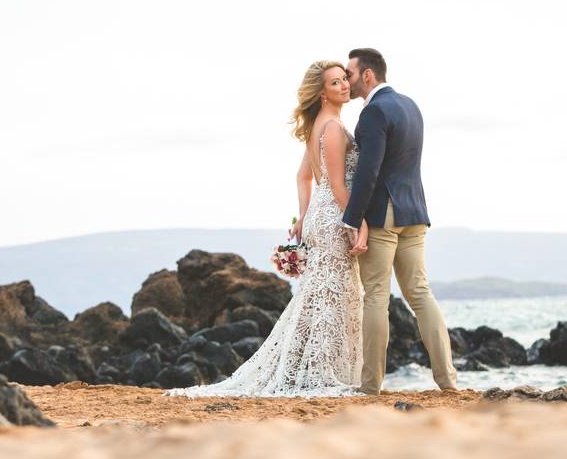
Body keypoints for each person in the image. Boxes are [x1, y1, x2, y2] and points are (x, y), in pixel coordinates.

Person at [165, 60, 368, 397]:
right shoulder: (332, 128)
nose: (345, 86)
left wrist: (304, 215)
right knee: (332, 296)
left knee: (320, 295)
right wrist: (356, 221)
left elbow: (304, 177)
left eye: (344, 79)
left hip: (321, 214)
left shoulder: (320, 124)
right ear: (322, 93)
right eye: (335, 83)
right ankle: (321, 373)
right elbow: (336, 185)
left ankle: (314, 369)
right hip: (334, 217)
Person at [342, 48, 457, 395]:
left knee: (376, 294)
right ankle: (448, 380)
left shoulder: (374, 112)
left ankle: (370, 386)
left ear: (367, 75)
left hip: (383, 213)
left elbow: (369, 171)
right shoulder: (410, 106)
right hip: (415, 212)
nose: (346, 81)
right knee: (420, 293)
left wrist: (353, 219)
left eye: (349, 74)